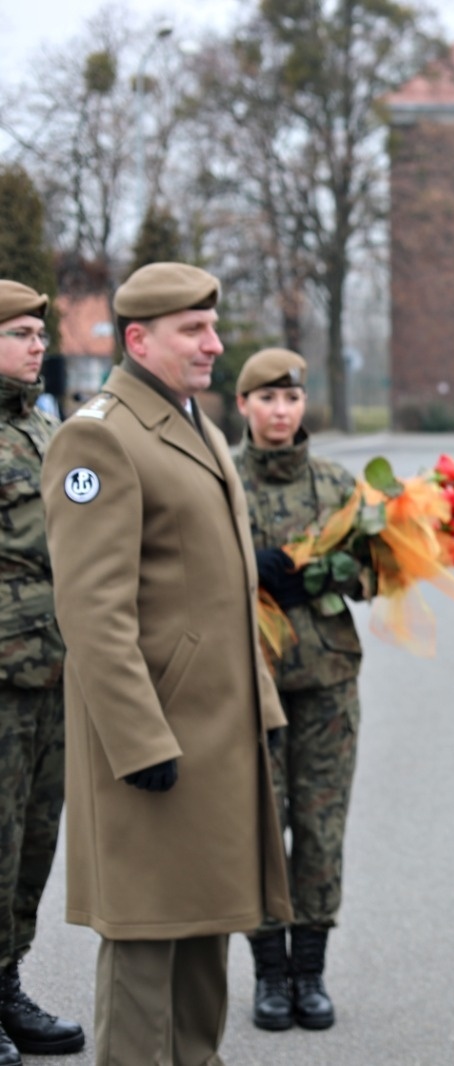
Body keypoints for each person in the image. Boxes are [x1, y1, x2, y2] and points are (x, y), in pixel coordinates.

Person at [41, 263, 293, 1066]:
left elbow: (223, 595)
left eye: (213, 328)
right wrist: (139, 742)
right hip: (153, 743)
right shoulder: (100, 435)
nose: (214, 345)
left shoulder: (198, 426)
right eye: (194, 330)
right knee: (148, 945)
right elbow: (93, 612)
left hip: (216, 737)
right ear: (138, 339)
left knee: (205, 938)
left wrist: (264, 710)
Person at [232, 348, 366, 1033]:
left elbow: (376, 576)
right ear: (243, 406)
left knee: (318, 827)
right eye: (267, 399)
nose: (281, 412)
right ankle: (268, 973)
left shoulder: (338, 483)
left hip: (325, 685)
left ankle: (309, 971)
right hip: (244, 688)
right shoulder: (219, 482)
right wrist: (244, 573)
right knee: (258, 826)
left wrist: (331, 572)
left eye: (291, 399)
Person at [0, 282, 84, 1063]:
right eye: (21, 333)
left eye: (39, 334)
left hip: (52, 675)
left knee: (32, 839)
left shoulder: (45, 431)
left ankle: (6, 984)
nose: (37, 346)